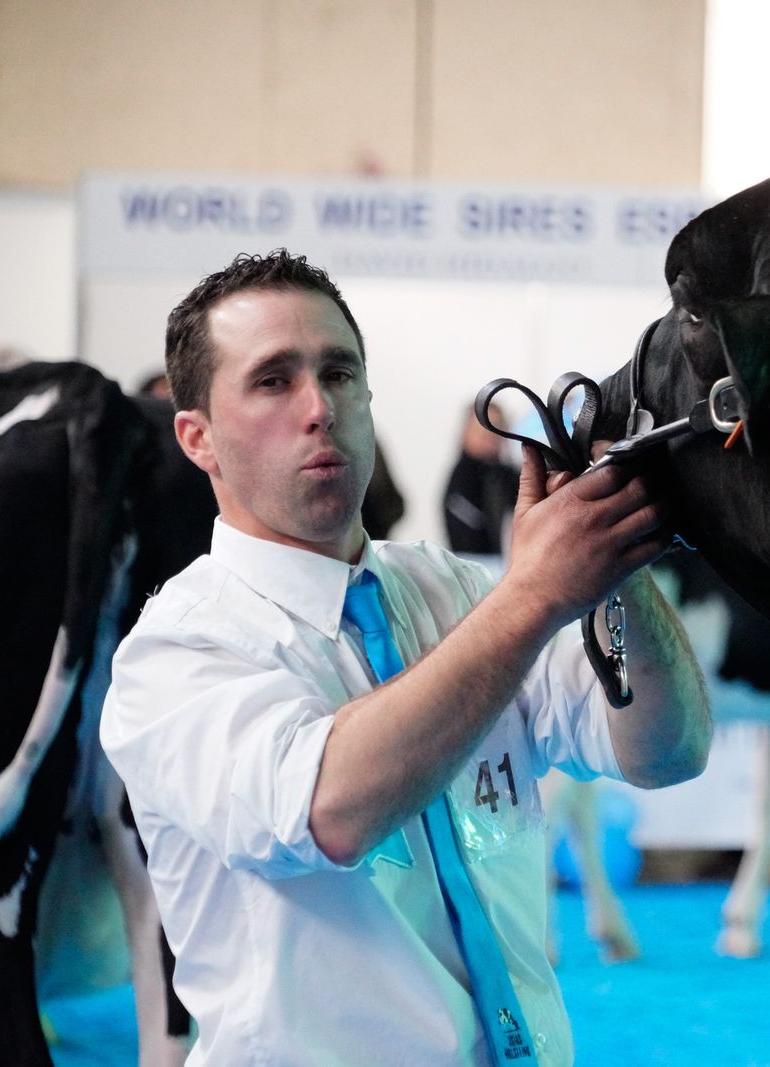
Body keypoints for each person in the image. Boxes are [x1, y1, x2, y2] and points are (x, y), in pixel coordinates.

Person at [101, 249, 711, 1066]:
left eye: (341, 372)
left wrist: (613, 563)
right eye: (273, 380)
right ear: (198, 437)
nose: (320, 407)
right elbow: (333, 810)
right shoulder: (175, 652)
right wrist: (535, 596)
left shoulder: (456, 590)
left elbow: (668, 751)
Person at [444, 400, 520, 555]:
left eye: (496, 428)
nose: (489, 436)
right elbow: (467, 541)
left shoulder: (509, 476)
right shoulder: (462, 480)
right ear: (466, 432)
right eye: (481, 429)